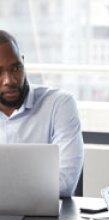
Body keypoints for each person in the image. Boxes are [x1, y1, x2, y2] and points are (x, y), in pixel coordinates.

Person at [0, 30, 83, 197]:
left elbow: (64, 182)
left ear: (23, 63)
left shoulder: (59, 104)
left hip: (44, 218)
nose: (9, 80)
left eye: (16, 68)